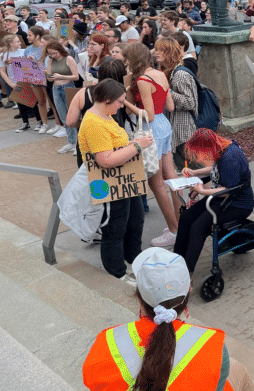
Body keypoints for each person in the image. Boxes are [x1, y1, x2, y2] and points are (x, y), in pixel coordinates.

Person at [83, 246, 254, 391]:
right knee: (237, 369)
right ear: (189, 292)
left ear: (139, 298)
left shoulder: (106, 342)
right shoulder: (213, 349)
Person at [77, 79, 154, 282]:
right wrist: (137, 146)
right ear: (107, 100)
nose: (122, 105)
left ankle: (133, 257)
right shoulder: (95, 123)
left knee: (135, 219)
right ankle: (117, 271)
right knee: (115, 226)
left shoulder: (105, 115)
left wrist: (132, 143)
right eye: (120, 101)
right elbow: (105, 161)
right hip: (110, 183)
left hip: (125, 179)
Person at [174, 128, 254, 272]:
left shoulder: (230, 157)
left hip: (237, 204)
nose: (199, 157)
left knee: (198, 228)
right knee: (186, 216)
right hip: (222, 200)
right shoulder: (222, 147)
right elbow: (216, 169)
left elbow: (227, 191)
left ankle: (186, 272)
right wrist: (195, 172)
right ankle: (177, 259)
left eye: (200, 153)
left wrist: (202, 191)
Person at [124, 43, 180, 248]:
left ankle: (174, 230)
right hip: (164, 125)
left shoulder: (141, 80)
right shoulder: (160, 73)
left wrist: (126, 101)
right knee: (171, 176)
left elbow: (147, 114)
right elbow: (170, 106)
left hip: (151, 128)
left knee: (155, 182)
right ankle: (180, 222)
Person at [156, 37, 199, 172]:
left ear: (170, 53)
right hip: (177, 129)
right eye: (156, 49)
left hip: (185, 130)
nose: (156, 53)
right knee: (186, 168)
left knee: (194, 167)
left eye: (161, 50)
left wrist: (169, 93)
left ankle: (209, 191)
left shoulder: (180, 74)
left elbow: (190, 102)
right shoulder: (169, 72)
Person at [45, 41, 80, 154]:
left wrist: (61, 76)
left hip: (68, 87)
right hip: (56, 88)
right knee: (63, 117)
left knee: (73, 117)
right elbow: (50, 73)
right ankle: (71, 142)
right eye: (50, 54)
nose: (53, 56)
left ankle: (78, 143)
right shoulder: (51, 60)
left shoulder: (68, 59)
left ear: (60, 50)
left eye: (54, 53)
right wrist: (50, 77)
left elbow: (76, 76)